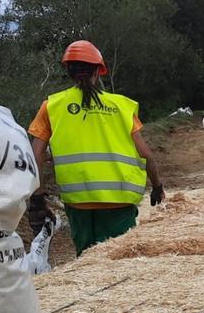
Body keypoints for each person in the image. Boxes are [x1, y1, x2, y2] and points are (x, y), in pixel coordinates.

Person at [26, 40, 165, 256]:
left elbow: (36, 154)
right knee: (120, 259)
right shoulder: (122, 105)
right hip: (119, 200)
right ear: (98, 71)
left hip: (78, 203)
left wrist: (37, 197)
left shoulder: (51, 106)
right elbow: (145, 154)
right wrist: (156, 185)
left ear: (69, 72)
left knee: (87, 261)